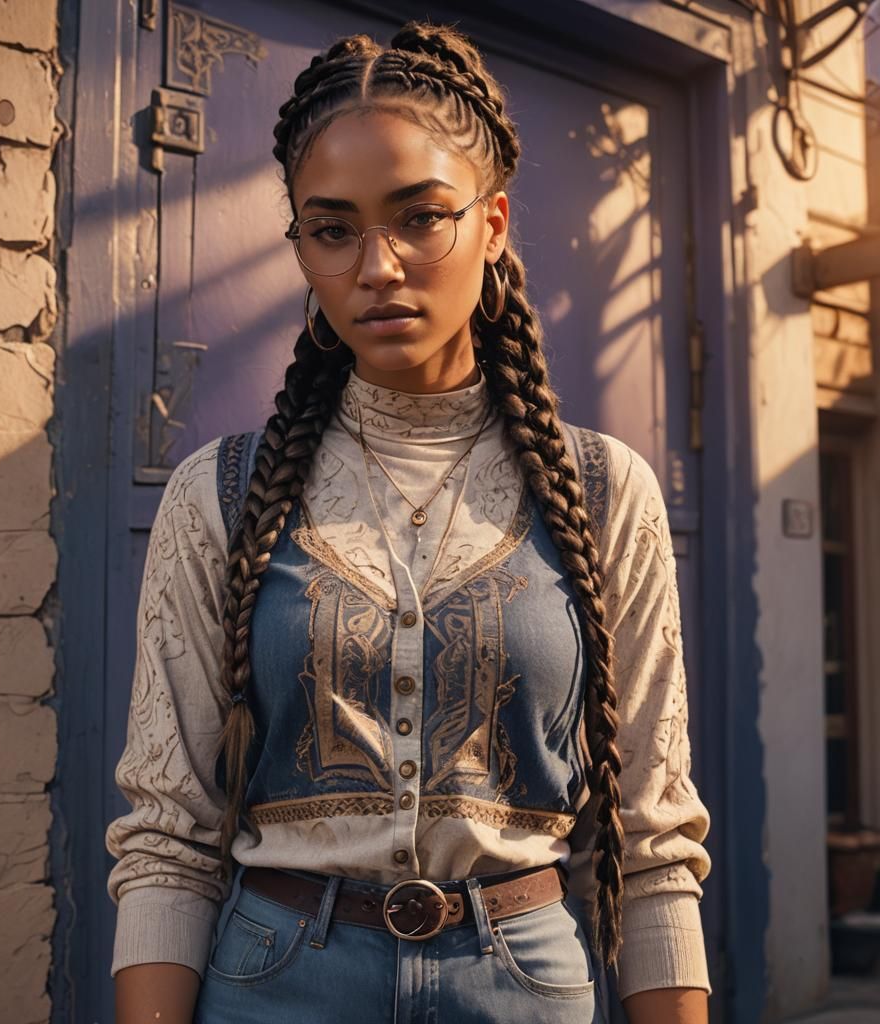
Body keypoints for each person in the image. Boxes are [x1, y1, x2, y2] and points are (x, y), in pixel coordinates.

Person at [107, 20, 711, 1024]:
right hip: (273, 979)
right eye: (332, 228)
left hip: (523, 981)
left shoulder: (604, 489)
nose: (377, 264)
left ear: (494, 222)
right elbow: (167, 831)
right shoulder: (219, 492)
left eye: (420, 216)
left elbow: (653, 838)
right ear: (300, 246)